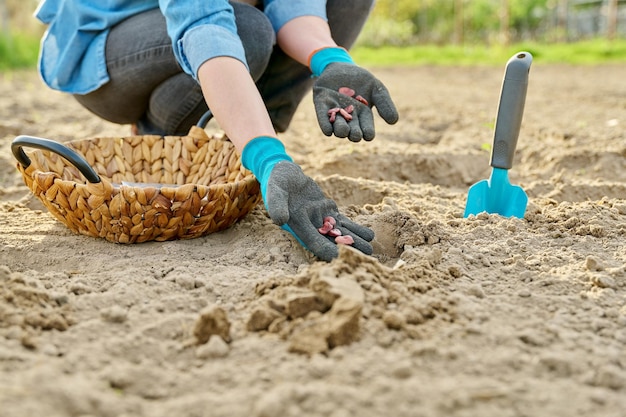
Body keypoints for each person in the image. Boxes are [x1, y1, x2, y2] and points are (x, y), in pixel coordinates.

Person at [34, 0, 399, 261]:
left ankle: (238, 134)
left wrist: (330, 60)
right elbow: (205, 28)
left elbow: (295, 8)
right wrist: (270, 158)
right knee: (247, 30)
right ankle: (161, 133)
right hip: (107, 41)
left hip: (218, 19)